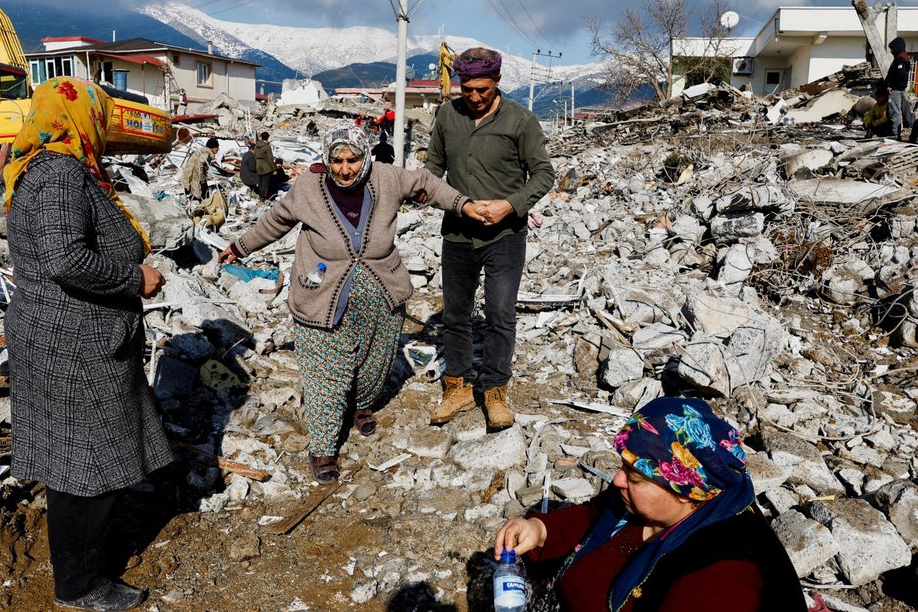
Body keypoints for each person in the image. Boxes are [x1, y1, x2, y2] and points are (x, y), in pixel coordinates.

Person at [218, 122, 487, 483]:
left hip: (382, 295)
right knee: (326, 376)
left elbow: (426, 182)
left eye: (353, 159)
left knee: (374, 364)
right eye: (337, 160)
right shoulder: (309, 187)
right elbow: (276, 221)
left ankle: (361, 405)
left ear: (365, 157)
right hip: (321, 296)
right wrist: (239, 247)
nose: (344, 168)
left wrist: (462, 205)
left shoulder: (387, 178)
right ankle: (324, 448)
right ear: (327, 159)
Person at [3, 77, 171, 611]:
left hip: (65, 335)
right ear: (80, 118)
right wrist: (134, 279)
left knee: (76, 459)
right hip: (73, 343)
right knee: (86, 464)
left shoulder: (45, 167)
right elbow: (65, 260)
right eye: (97, 113)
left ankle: (80, 568)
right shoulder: (59, 173)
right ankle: (79, 585)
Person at [494, 397, 807, 611]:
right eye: (624, 467)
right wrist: (540, 529)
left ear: (686, 491)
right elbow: (596, 514)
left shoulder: (721, 577)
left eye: (635, 477)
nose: (617, 480)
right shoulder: (647, 502)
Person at [424, 47, 555, 430]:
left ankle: (495, 390)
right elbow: (434, 166)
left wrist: (510, 205)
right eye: (467, 89)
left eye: (482, 89)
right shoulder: (447, 116)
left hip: (505, 235)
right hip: (458, 233)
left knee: (499, 313)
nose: (475, 97)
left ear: (497, 82)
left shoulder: (521, 120)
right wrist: (428, 189)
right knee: (455, 315)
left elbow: (543, 174)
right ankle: (458, 387)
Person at [886, 37, 915, 141]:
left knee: (895, 112)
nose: (891, 51)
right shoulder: (904, 58)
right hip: (900, 90)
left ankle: (895, 135)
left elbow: (900, 74)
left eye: (892, 48)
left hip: (896, 91)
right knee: (906, 113)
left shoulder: (900, 59)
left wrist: (891, 86)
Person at [254, 130, 276, 199]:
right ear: (267, 138)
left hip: (258, 165)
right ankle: (264, 197)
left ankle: (260, 195)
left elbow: (255, 156)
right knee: (265, 183)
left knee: (260, 182)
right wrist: (274, 169)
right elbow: (270, 159)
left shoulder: (256, 146)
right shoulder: (267, 147)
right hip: (266, 166)